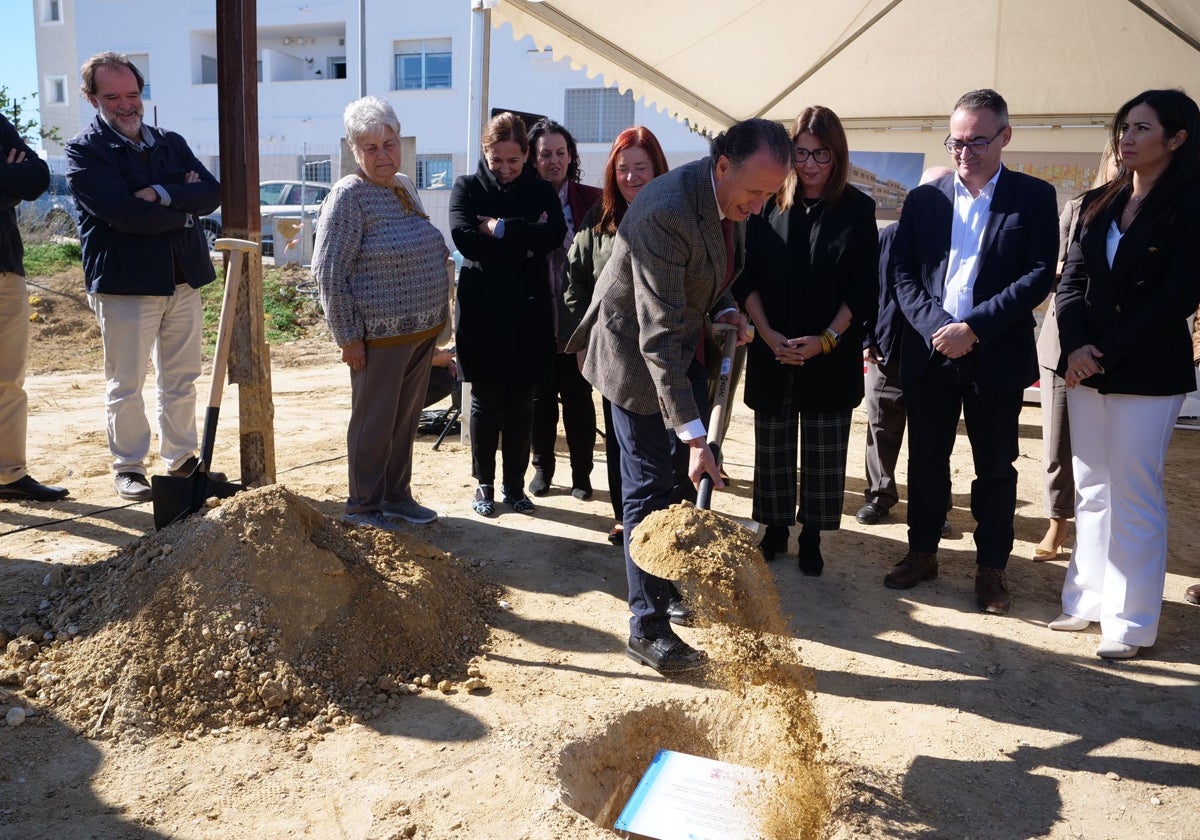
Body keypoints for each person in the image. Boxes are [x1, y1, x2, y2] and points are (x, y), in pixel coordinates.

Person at [566, 118, 793, 673]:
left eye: (770, 194)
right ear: (723, 167)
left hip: (679, 346)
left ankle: (663, 587)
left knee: (674, 481)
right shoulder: (666, 211)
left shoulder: (727, 198)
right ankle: (645, 627)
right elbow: (657, 338)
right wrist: (696, 439)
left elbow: (709, 278)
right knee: (648, 486)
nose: (760, 206)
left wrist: (725, 309)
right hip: (634, 356)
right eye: (756, 192)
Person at [884, 89, 1058, 614]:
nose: (965, 153)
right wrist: (940, 327)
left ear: (1005, 136)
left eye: (977, 141)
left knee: (996, 469)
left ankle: (991, 569)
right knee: (927, 461)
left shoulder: (1032, 197)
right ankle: (922, 552)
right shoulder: (925, 200)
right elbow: (904, 274)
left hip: (995, 356)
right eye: (956, 142)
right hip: (932, 352)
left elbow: (1036, 277)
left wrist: (974, 328)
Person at [1051, 89, 1200, 659]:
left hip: (1147, 370)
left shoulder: (1190, 208)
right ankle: (1084, 600)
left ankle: (1132, 622)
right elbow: (1070, 283)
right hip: (1086, 366)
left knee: (1134, 494)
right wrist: (1075, 347)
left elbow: (1175, 299)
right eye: (1123, 128)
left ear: (1177, 138)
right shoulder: (1096, 201)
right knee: (1091, 488)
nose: (1127, 138)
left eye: (1141, 128)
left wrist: (1101, 352)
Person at [65, 51, 222, 502]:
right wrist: (182, 207)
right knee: (126, 384)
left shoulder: (168, 141)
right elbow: (121, 213)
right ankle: (129, 468)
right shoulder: (84, 150)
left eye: (132, 94)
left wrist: (159, 193)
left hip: (182, 280)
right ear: (91, 98)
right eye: (112, 96)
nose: (126, 104)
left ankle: (181, 461)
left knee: (181, 377)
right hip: (125, 285)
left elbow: (210, 193)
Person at [734, 106, 879, 576]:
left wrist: (827, 340)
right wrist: (765, 332)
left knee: (823, 449)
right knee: (772, 447)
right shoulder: (767, 204)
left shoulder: (858, 209)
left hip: (828, 355)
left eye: (821, 154)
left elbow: (862, 289)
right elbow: (746, 276)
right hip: (771, 348)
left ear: (837, 156)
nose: (811, 164)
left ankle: (813, 534)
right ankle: (774, 527)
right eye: (802, 153)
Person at [313, 96, 449, 530]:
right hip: (377, 338)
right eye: (370, 148)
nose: (382, 155)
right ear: (354, 151)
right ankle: (363, 505)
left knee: (405, 420)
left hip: (420, 330)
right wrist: (348, 337)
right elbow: (328, 272)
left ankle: (396, 496)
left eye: (388, 144)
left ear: (400, 142)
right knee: (374, 422)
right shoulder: (348, 197)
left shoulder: (403, 185)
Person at [450, 113, 566, 517]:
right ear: (484, 152)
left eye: (513, 161)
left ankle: (514, 486)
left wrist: (499, 229)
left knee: (521, 402)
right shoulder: (466, 187)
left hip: (529, 310)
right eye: (495, 160)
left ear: (526, 157)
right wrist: (524, 239)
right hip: (482, 311)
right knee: (484, 400)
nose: (504, 169)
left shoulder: (539, 189)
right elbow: (465, 241)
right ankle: (483, 484)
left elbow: (554, 235)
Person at [562, 126, 671, 546]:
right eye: (623, 169)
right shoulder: (600, 218)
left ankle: (660, 523)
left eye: (640, 168)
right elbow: (576, 281)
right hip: (614, 352)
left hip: (665, 352)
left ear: (657, 169)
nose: (631, 177)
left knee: (664, 446)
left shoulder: (674, 216)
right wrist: (578, 338)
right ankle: (626, 517)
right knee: (621, 439)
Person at [1033, 144, 1118, 561]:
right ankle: (1057, 524)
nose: (1124, 159)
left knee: (1114, 449)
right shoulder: (1079, 207)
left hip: (1124, 347)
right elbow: (1059, 271)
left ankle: (1101, 530)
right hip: (1063, 345)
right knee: (1059, 446)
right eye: (1116, 153)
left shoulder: (1169, 210)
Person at [857, 167, 954, 532]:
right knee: (881, 427)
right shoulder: (889, 236)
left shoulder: (954, 241)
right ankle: (879, 496)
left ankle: (935, 507)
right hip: (886, 348)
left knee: (932, 434)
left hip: (934, 354)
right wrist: (867, 338)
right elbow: (868, 289)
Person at [526, 119, 602, 500]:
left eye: (560, 153)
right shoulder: (522, 199)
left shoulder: (594, 199)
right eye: (545, 154)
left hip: (580, 320)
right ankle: (542, 468)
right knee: (540, 399)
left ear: (571, 156)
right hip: (537, 317)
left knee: (578, 398)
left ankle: (582, 473)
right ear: (533, 159)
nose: (553, 161)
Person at [0, 114, 70, 503]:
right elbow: (17, 183)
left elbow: (36, 178)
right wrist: (6, 180)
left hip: (5, 266)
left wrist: (13, 183)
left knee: (8, 379)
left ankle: (8, 474)